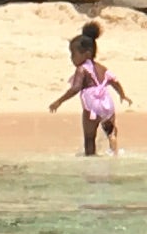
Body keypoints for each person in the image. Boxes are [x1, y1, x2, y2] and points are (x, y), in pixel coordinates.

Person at [50, 21, 126, 153]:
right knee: (111, 132)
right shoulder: (102, 68)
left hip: (92, 106)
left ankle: (90, 161)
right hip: (107, 103)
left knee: (89, 138)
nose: (71, 58)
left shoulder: (81, 69)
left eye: (73, 54)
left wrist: (59, 101)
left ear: (87, 53)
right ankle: (114, 154)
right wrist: (122, 95)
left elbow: (75, 88)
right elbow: (114, 81)